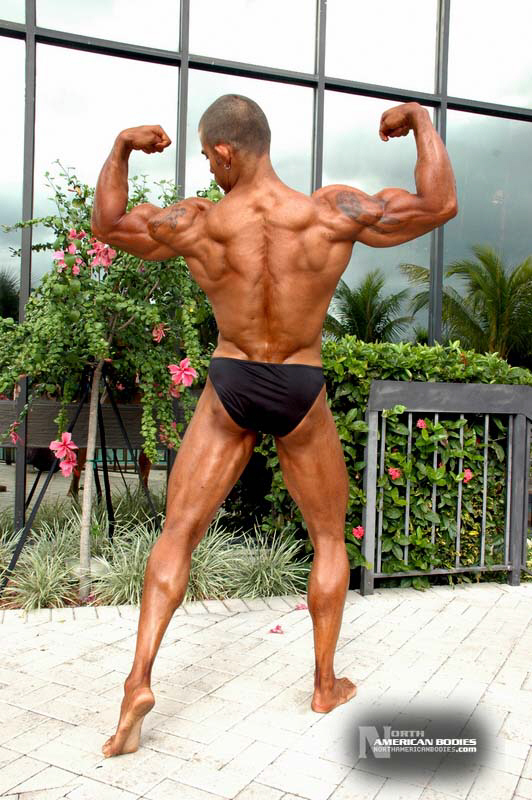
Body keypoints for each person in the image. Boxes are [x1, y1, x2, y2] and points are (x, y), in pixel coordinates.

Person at [91, 94, 457, 757]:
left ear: (225, 151)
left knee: (179, 532)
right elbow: (439, 204)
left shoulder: (199, 222)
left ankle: (138, 680)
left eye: (209, 159)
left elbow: (110, 223)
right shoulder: (329, 212)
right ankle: (323, 684)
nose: (209, 171)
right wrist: (420, 122)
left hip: (232, 382)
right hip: (299, 385)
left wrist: (121, 148)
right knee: (328, 537)